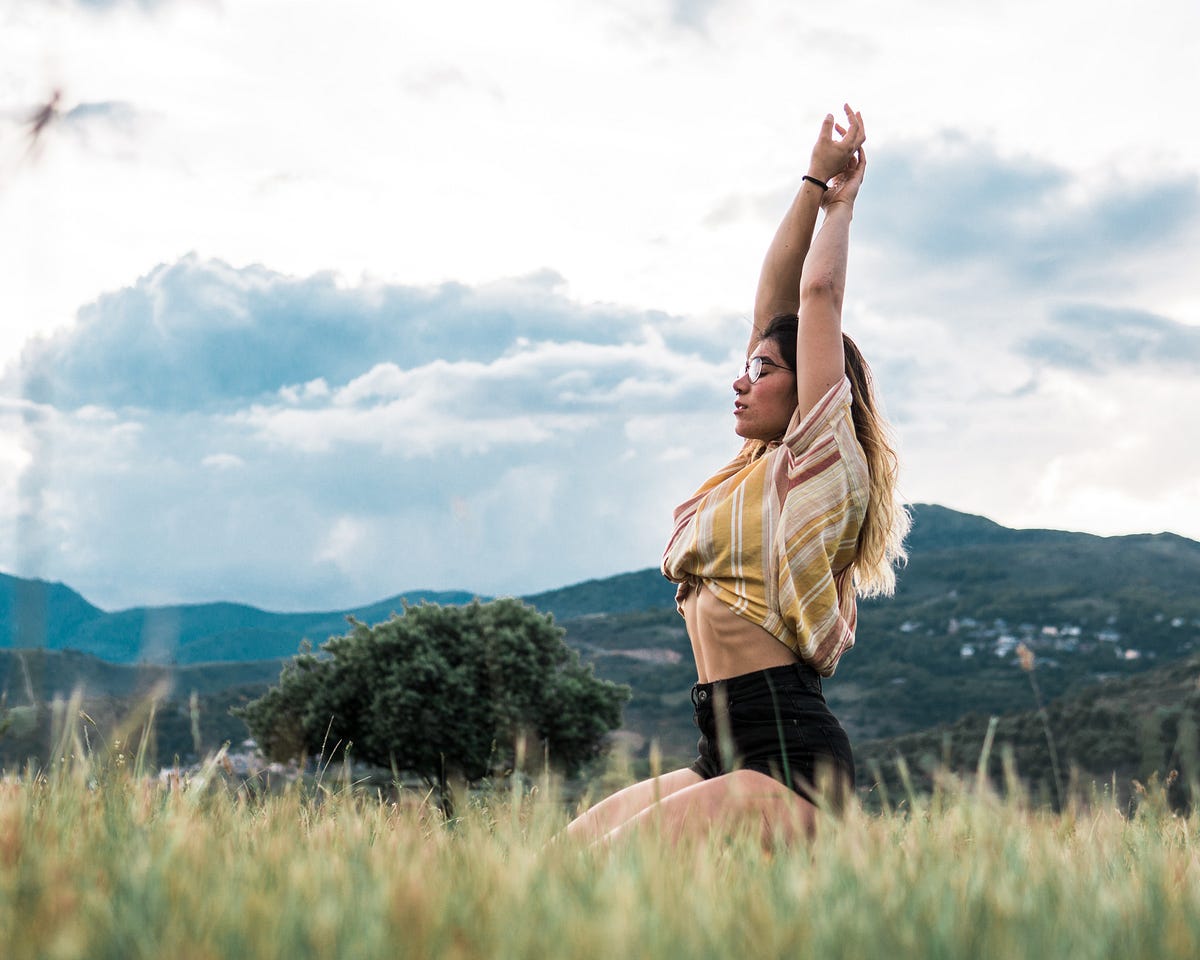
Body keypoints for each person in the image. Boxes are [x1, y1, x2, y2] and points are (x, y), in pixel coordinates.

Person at [565, 104, 909, 846]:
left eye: (764, 369)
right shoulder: (753, 469)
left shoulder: (815, 465)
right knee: (563, 862)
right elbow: (775, 307)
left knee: (610, 869)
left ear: (810, 390)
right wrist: (812, 181)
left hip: (790, 760)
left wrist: (841, 208)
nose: (741, 379)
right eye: (746, 367)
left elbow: (815, 299)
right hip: (721, 749)